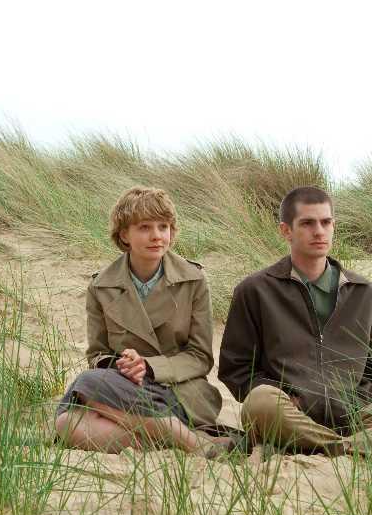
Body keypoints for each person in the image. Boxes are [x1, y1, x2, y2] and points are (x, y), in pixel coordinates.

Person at [54, 186, 229, 456]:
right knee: (67, 422)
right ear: (124, 234)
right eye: (145, 227)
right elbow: (98, 354)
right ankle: (181, 442)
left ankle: (190, 443)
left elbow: (200, 357)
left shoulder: (193, 280)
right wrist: (125, 366)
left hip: (180, 390)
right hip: (123, 386)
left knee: (87, 384)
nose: (157, 236)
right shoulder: (101, 286)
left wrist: (148, 366)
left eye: (163, 226)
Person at [218, 186, 372, 454]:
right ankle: (347, 448)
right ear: (286, 230)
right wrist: (285, 395)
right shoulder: (255, 290)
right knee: (259, 403)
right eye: (307, 223)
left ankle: (334, 445)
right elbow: (236, 368)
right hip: (290, 414)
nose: (319, 231)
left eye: (326, 222)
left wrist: (359, 400)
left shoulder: (364, 292)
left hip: (354, 416)